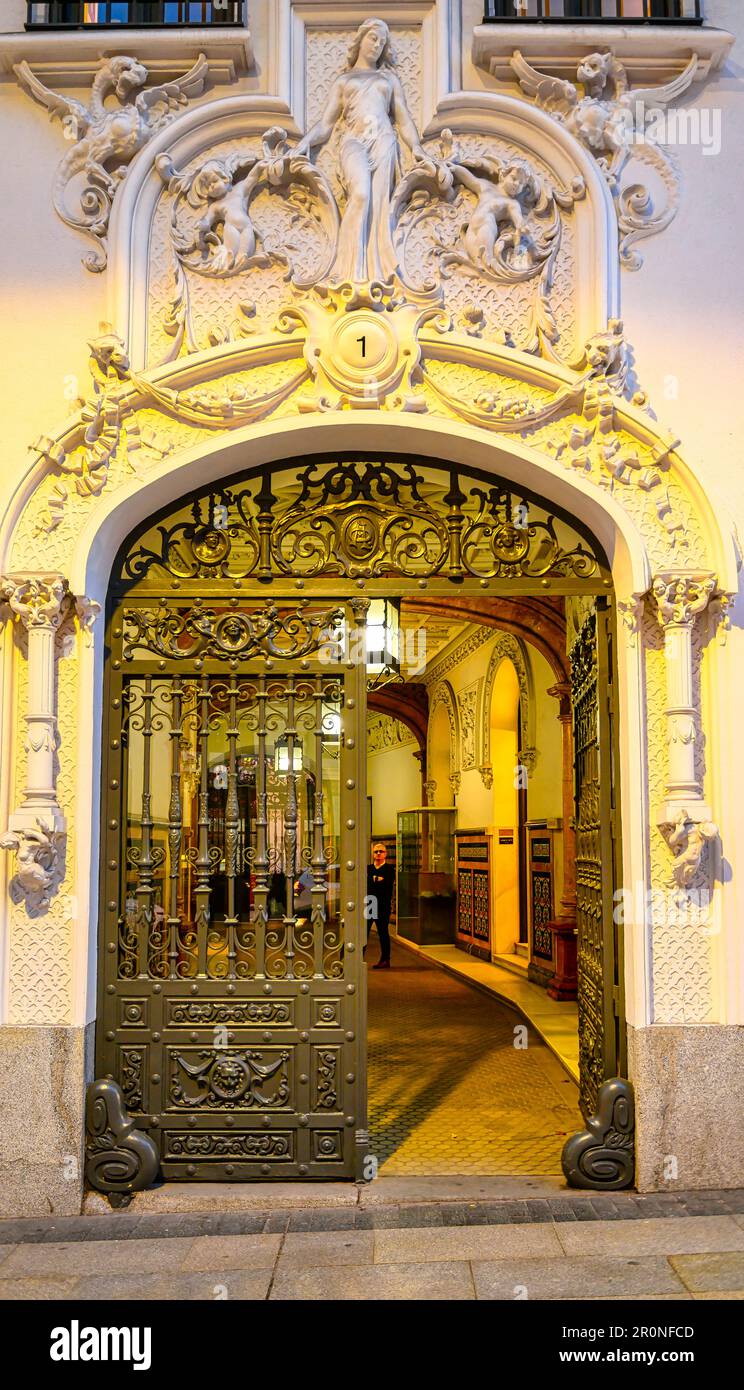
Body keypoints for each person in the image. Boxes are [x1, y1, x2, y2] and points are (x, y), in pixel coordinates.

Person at [293, 17, 428, 284]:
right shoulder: (345, 81)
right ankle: (347, 268)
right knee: (361, 194)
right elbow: (326, 124)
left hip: (383, 140)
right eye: (373, 38)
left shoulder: (388, 80)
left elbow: (403, 120)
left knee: (379, 202)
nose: (377, 45)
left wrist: (416, 148)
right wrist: (305, 142)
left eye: (382, 41)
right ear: (360, 39)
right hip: (354, 140)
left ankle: (373, 271)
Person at [366, 842, 395, 969]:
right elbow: (367, 884)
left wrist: (373, 879)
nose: (378, 854)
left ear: (385, 854)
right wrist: (377, 879)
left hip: (383, 905)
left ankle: (385, 960)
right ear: (372, 854)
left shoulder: (389, 869)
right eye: (376, 851)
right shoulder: (368, 868)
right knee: (363, 933)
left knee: (383, 932)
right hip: (370, 903)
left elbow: (386, 885)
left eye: (381, 851)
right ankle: (356, 959)